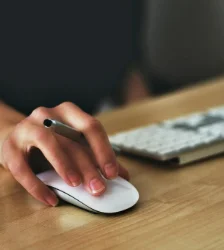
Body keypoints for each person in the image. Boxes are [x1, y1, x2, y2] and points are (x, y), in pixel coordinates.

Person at [0, 2, 146, 207]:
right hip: (21, 133)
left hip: (94, 137)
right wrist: (8, 133)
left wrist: (147, 130)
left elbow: (129, 69)